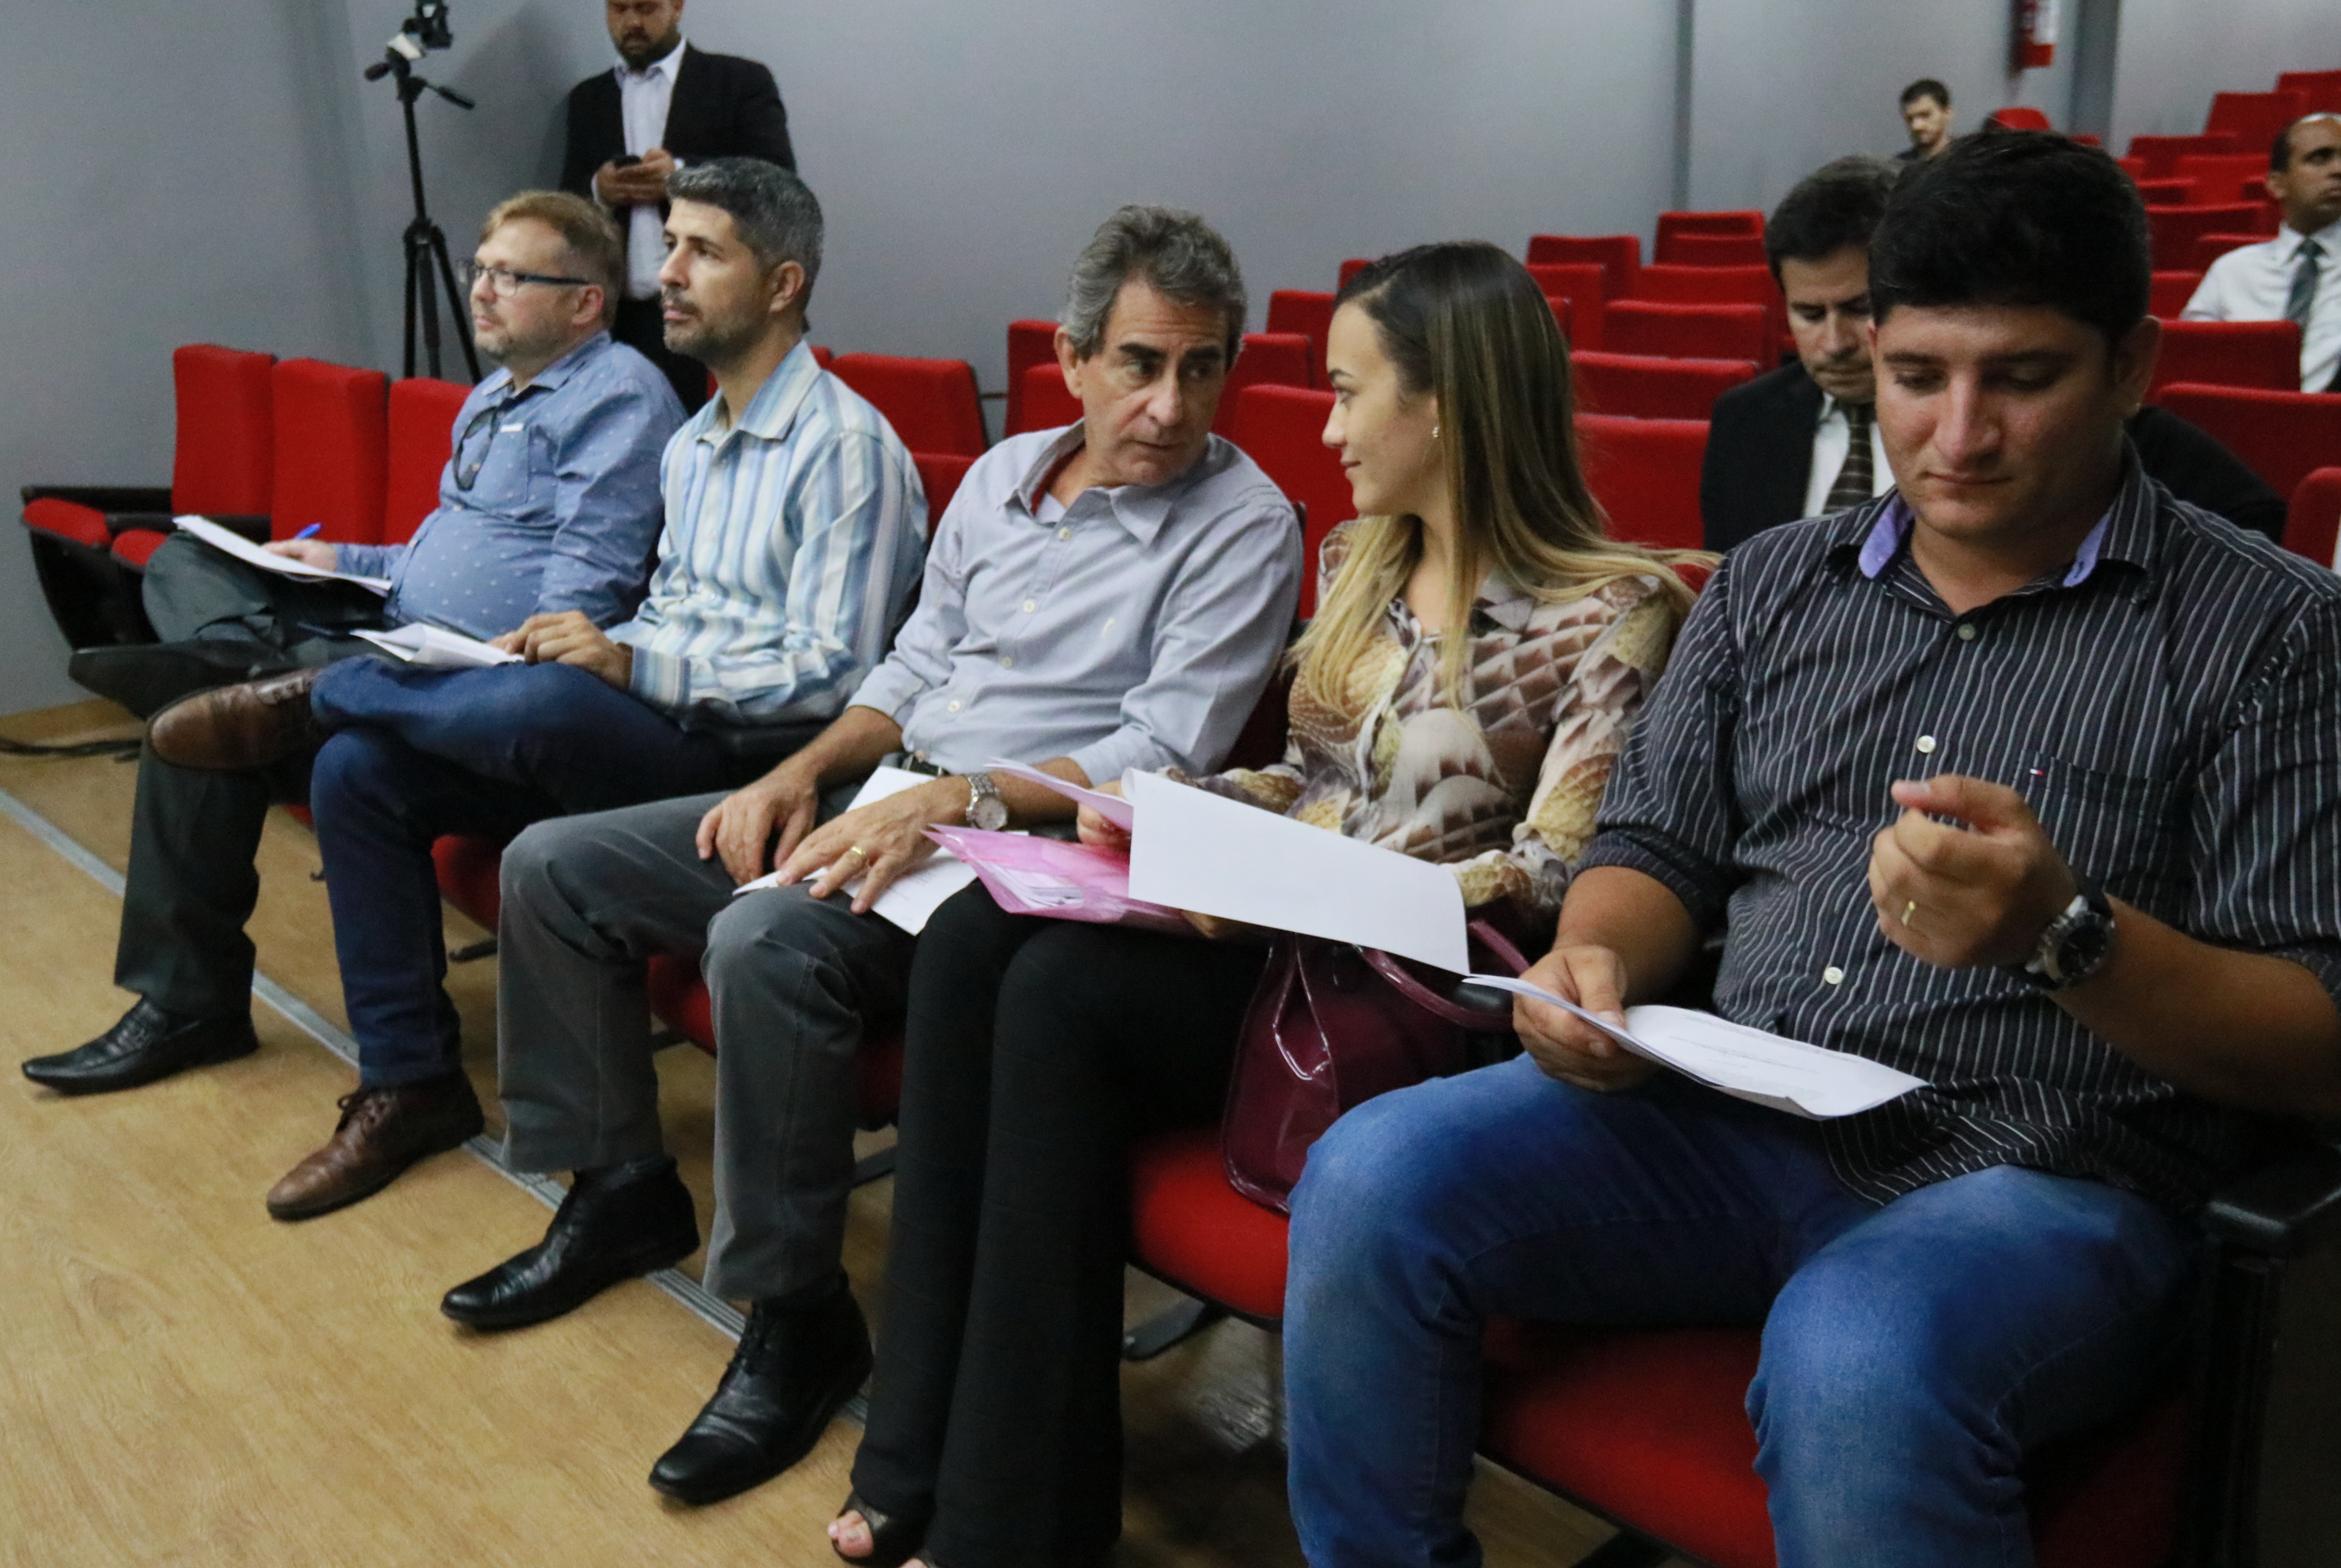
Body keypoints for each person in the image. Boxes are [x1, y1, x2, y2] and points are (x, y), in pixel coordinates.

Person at [1283, 132, 2341, 1568]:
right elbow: (1654, 841)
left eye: (2021, 379)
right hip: (1736, 1109)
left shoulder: (2273, 633)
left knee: (1861, 1348)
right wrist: (1594, 957)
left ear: (2133, 368)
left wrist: (2063, 931)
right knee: (1370, 1175)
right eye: (1915, 376)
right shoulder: (1772, 584)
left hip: (2050, 1168)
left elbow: (2317, 1042)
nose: (1957, 435)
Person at [831, 241, 1698, 1568]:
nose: (1327, 428)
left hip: (1413, 991)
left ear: (1445, 406)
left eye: (1349, 394)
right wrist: (1171, 808)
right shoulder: (1361, 559)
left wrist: (1318, 884)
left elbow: (1553, 872)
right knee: (970, 939)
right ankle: (913, 1447)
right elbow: (1305, 771)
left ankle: (1015, 1524)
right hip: (1280, 939)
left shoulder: (1611, 612)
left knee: (1059, 997)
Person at [444, 205, 1301, 1509]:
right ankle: (618, 1187)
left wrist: (952, 796)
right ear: (1072, 359)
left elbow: (1161, 750)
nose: (1171, 404)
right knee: (555, 869)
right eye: (1140, 363)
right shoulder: (1003, 478)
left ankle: (795, 1315)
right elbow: (909, 668)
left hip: (1021, 856)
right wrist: (800, 770)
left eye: (1203, 367)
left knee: (763, 938)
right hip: (885, 796)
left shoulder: (1242, 522)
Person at [136, 160, 925, 1223]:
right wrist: (591, 646)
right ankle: (409, 1083)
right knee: (361, 772)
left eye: (702, 252)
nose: (667, 273)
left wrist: (629, 664)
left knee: (538, 702)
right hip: (643, 717)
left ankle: (320, 690)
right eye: (670, 246)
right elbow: (670, 612)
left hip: (751, 766)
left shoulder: (846, 449)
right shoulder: (698, 443)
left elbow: (835, 672)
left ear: (783, 285)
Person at [21, 190, 682, 1098]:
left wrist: (471, 651)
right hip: (385, 629)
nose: (482, 290)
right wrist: (341, 557)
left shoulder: (620, 397)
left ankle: (247, 691)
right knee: (186, 560)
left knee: (196, 728)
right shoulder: (492, 396)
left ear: (585, 302)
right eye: (481, 269)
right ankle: (259, 674)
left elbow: (585, 590)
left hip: (472, 676)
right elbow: (438, 546)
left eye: (512, 276)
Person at [1705, 153, 2286, 551]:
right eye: (1809, 314)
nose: (1834, 344)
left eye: (2022, 379)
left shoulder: (2138, 450)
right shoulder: (1746, 421)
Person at [564, 0, 795, 413]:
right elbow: (564, 200)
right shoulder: (588, 98)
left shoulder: (739, 82)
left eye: (645, 7)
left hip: (719, 312)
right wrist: (600, 188)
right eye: (619, 9)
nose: (632, 22)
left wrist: (685, 176)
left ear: (676, 6)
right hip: (619, 321)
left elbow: (778, 181)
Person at [2182, 112, 2341, 394]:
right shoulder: (2232, 271)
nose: (2338, 169)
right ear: (2276, 184)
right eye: (2319, 158)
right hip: (2240, 416)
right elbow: (2190, 366)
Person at [1898, 78, 1955, 162]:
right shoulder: (1898, 167)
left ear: (1947, 113)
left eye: (1925, 115)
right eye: (1909, 119)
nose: (1916, 126)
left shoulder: (1971, 161)